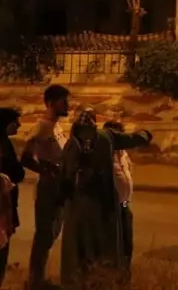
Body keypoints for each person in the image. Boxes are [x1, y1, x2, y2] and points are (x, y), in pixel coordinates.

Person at [59, 109, 153, 287]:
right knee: (94, 248)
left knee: (95, 249)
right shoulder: (98, 140)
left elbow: (64, 180)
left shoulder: (86, 142)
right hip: (92, 207)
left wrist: (143, 136)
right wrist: (144, 135)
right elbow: (66, 179)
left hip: (94, 207)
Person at [21, 84, 70, 290]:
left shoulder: (57, 127)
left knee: (52, 234)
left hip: (59, 189)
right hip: (48, 189)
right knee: (44, 235)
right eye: (63, 101)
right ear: (51, 103)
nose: (67, 105)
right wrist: (45, 169)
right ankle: (34, 281)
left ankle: (38, 279)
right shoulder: (42, 127)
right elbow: (26, 157)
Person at [103, 121, 135, 268]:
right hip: (111, 208)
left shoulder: (123, 153)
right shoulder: (104, 156)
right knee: (112, 247)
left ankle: (124, 273)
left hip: (124, 206)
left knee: (127, 245)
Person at [0, 107, 25, 285]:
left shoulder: (5, 143)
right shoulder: (2, 145)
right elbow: (14, 171)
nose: (19, 125)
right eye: (15, 122)